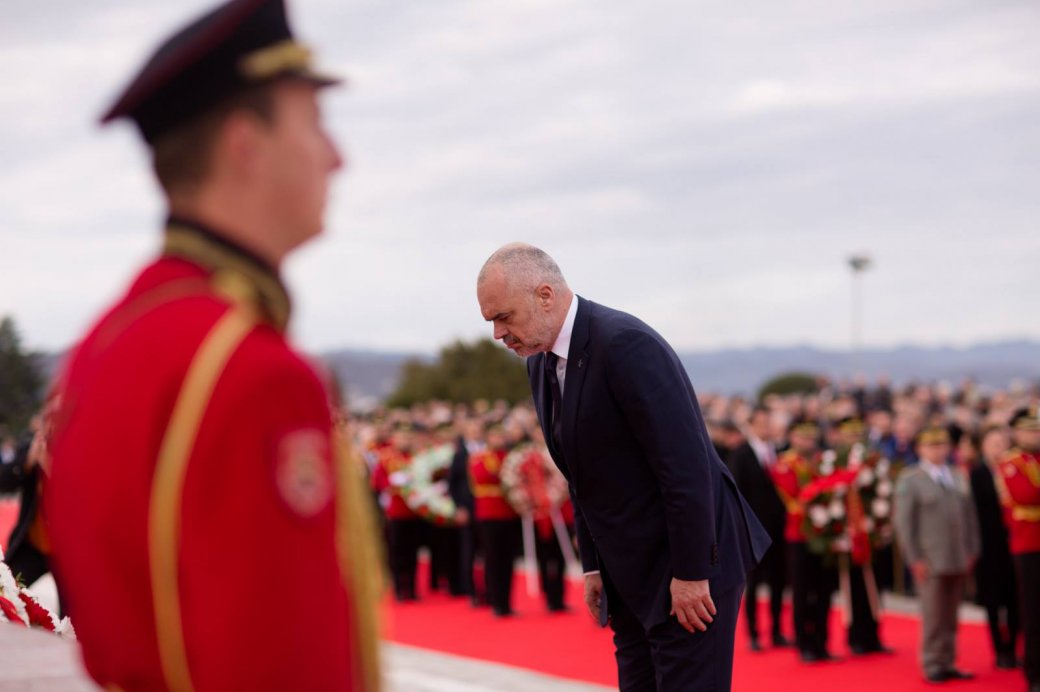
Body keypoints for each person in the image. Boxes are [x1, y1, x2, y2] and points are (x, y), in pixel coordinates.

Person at [44, 1, 381, 689]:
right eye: (314, 123)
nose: (338, 157)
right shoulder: (251, 369)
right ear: (244, 145)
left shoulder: (110, 340)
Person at [476, 243, 770, 691]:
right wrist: (592, 566)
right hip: (628, 571)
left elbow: (685, 468)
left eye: (504, 316)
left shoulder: (625, 344)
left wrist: (692, 574)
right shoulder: (539, 362)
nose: (499, 333)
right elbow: (580, 472)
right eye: (491, 320)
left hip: (688, 566)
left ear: (545, 295)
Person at [893, 426, 979, 683]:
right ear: (920, 449)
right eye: (931, 445)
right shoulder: (911, 479)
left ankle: (948, 660)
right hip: (930, 559)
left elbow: (969, 515)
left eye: (941, 445)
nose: (937, 450)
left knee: (952, 615)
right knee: (933, 615)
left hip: (958, 555)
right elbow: (904, 525)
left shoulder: (957, 475)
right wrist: (914, 558)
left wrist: (972, 548)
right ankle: (932, 662)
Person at [772, 418, 838, 663]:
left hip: (825, 534)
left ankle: (822, 642)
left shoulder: (824, 461)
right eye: (803, 437)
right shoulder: (786, 464)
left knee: (824, 591)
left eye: (811, 437)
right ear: (793, 438)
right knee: (802, 591)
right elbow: (793, 496)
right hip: (799, 534)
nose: (807, 442)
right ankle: (804, 644)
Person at [728, 405, 789, 650]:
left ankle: (777, 631)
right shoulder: (741, 454)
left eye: (769, 423)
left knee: (779, 581)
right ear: (752, 426)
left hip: (779, 529)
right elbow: (736, 492)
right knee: (753, 583)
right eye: (762, 423)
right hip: (753, 530)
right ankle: (753, 633)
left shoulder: (781, 452)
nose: (766, 428)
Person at [965, 425, 1019, 669]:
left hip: (1016, 543)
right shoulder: (977, 474)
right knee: (992, 600)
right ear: (983, 446)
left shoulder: (1017, 469)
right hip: (987, 546)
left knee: (1016, 598)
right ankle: (999, 648)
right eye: (993, 443)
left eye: (1002, 443)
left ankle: (1013, 645)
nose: (999, 448)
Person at [996, 406, 1040, 692]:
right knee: (1034, 613)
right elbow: (1025, 494)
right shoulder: (1011, 462)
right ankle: (1035, 674)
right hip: (1029, 545)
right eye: (1029, 430)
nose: (1034, 435)